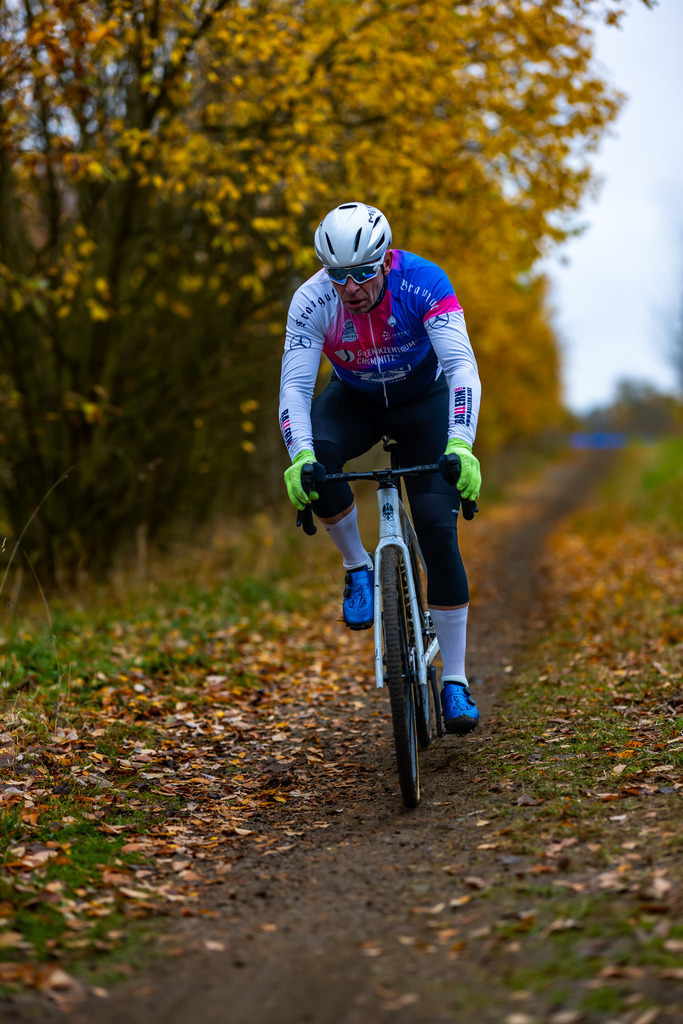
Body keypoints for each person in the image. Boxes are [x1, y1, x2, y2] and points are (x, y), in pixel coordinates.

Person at [278, 202, 482, 735]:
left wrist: (461, 444)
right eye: (338, 275)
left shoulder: (424, 282)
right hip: (355, 401)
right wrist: (299, 453)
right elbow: (295, 390)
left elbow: (461, 365)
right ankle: (356, 568)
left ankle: (454, 681)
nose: (351, 287)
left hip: (424, 404)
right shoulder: (311, 301)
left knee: (439, 531)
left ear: (385, 261)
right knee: (315, 467)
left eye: (363, 273)